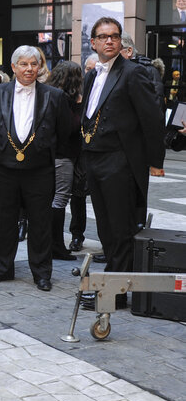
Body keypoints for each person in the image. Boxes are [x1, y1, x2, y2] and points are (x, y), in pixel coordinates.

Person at [79, 17, 165, 309]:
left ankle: (114, 293)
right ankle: (114, 285)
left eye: (114, 36)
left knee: (120, 229)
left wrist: (155, 161)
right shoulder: (91, 75)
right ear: (93, 43)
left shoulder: (133, 73)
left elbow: (151, 118)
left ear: (120, 41)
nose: (109, 41)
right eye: (103, 37)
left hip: (121, 161)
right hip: (95, 159)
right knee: (104, 228)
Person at [0, 45, 71, 292]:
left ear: (39, 67)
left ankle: (41, 274)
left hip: (40, 170)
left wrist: (46, 151)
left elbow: (65, 133)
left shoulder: (54, 96)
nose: (29, 69)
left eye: (33, 64)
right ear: (13, 67)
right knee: (3, 221)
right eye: (24, 64)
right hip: (4, 168)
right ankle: (2, 269)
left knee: (41, 223)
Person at [45, 61, 83, 261]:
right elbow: (71, 127)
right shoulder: (66, 99)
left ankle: (52, 245)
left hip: (51, 154)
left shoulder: (48, 93)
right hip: (63, 155)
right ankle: (56, 246)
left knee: (54, 198)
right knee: (60, 199)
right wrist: (80, 106)